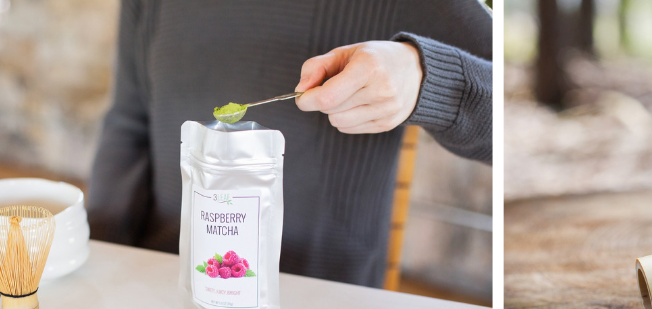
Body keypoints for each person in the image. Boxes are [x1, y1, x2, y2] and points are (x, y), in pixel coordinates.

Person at [88, 0, 492, 288]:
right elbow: (129, 121)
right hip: (167, 284)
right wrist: (98, 260)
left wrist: (425, 75)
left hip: (325, 308)